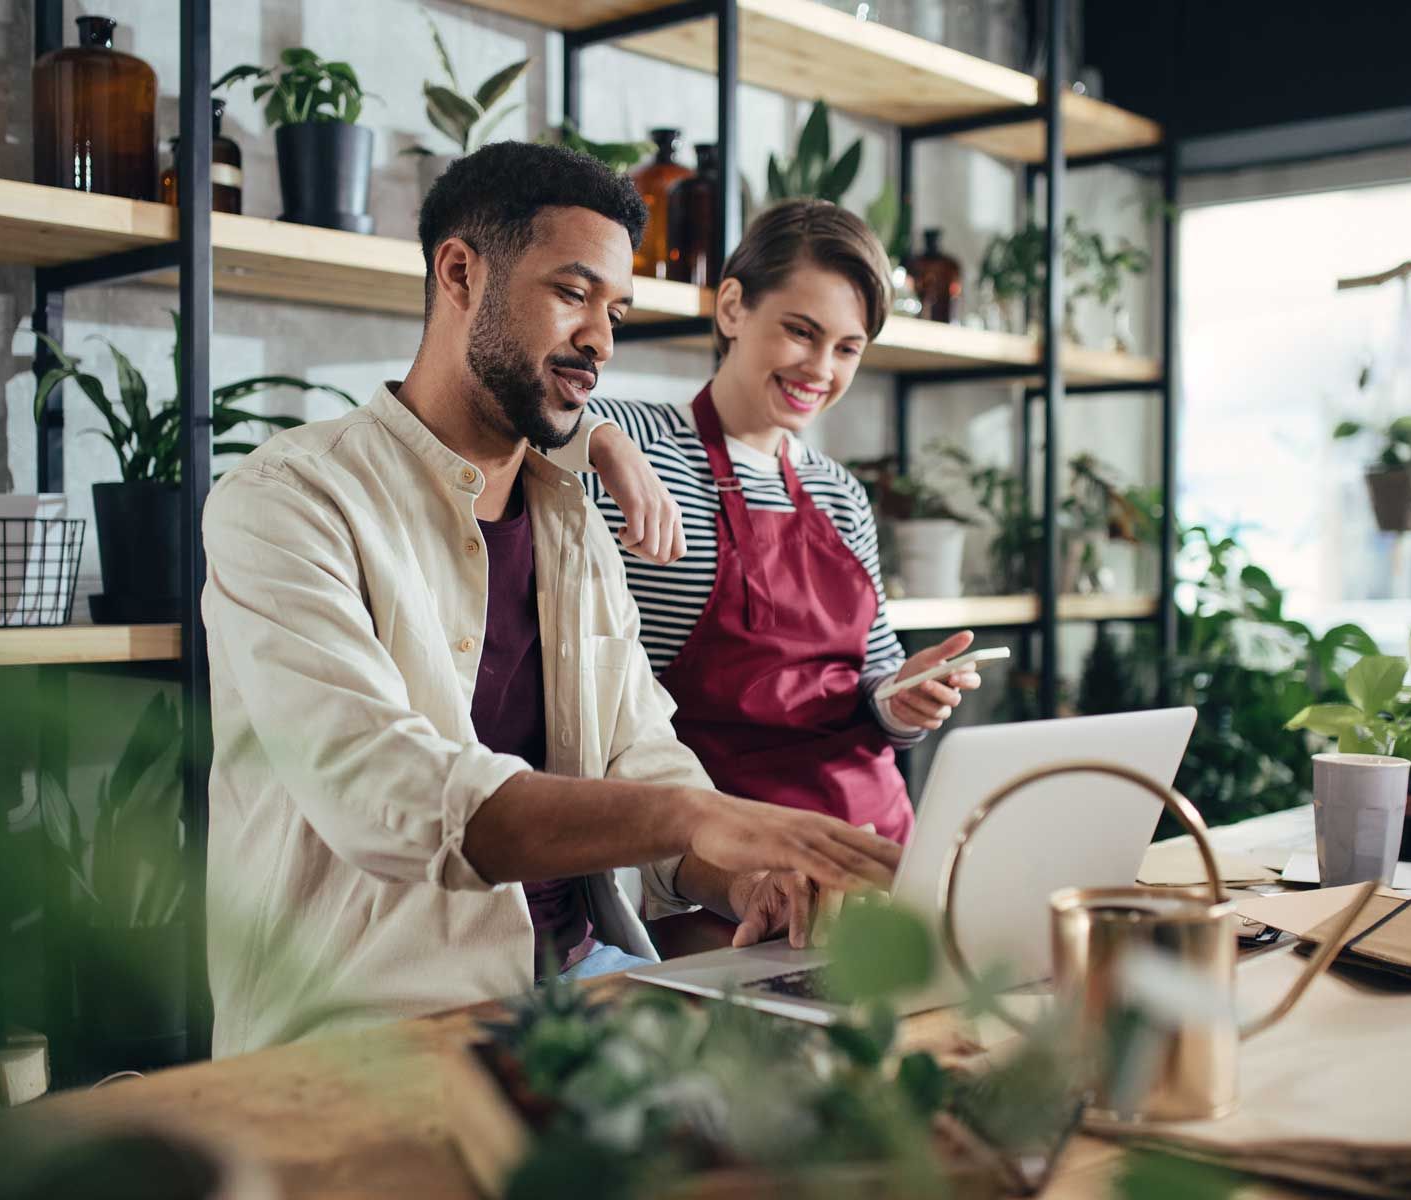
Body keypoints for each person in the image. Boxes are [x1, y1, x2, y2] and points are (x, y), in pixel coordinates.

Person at [200, 143, 902, 1055]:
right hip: (373, 1033)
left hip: (585, 990)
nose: (601, 341)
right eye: (573, 295)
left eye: (615, 311)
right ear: (460, 272)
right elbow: (386, 793)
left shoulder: (571, 520)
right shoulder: (288, 502)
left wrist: (741, 878)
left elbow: (641, 755)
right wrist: (705, 815)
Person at [579, 200, 985, 851]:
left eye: (847, 348)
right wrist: (598, 436)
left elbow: (873, 682)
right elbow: (510, 419)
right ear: (733, 307)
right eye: (801, 331)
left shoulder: (841, 492)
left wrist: (904, 698)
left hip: (873, 834)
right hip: (722, 851)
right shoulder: (636, 442)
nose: (821, 369)